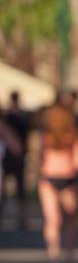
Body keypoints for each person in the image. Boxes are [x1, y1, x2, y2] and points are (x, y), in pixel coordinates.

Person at [38, 98, 78, 263]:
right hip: (65, 179)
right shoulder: (72, 135)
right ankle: (68, 256)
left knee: (54, 220)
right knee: (68, 220)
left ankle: (56, 256)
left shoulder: (48, 136)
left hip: (53, 178)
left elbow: (40, 159)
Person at [1, 91, 31, 231]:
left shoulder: (7, 118)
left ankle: (19, 219)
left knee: (7, 189)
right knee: (19, 189)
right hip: (17, 156)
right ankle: (22, 220)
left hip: (8, 156)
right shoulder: (23, 118)